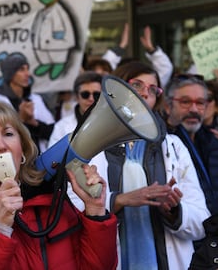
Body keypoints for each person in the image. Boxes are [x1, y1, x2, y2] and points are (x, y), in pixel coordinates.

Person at [0, 101, 118, 270]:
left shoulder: (51, 199)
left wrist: (96, 213)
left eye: (9, 134)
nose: (1, 145)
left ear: (22, 150)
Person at [82, 63, 209, 269]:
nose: (144, 94)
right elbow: (70, 207)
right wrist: (118, 200)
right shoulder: (91, 142)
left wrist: (175, 211)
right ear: (117, 88)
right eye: (137, 85)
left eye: (152, 89)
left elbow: (202, 222)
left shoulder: (174, 147)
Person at [164, 74, 218, 216]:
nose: (194, 109)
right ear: (168, 106)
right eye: (185, 102)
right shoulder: (162, 144)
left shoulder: (210, 140)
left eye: (200, 103)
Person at [0, 53, 55, 152]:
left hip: (39, 160)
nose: (27, 74)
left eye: (27, 69)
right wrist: (21, 120)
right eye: (21, 70)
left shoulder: (36, 99)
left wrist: (34, 123)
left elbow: (52, 132)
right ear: (10, 74)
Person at [102, 24, 173, 88]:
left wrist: (151, 49)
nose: (144, 93)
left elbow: (165, 68)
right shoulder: (113, 90)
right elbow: (104, 68)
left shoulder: (149, 86)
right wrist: (121, 46)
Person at [48, 71, 102, 148]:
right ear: (77, 97)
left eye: (96, 95)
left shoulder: (113, 125)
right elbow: (52, 157)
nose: (91, 99)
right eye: (85, 95)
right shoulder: (61, 127)